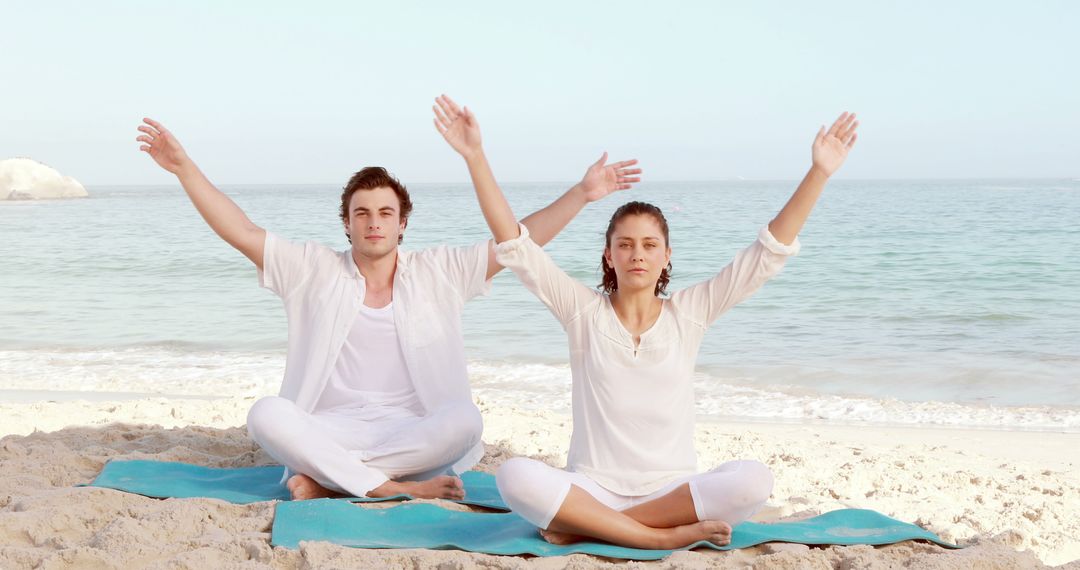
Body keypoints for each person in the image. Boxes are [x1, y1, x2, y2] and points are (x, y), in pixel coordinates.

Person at [134, 101, 641, 501]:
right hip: (330, 428)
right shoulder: (312, 269)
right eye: (361, 213)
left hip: (409, 431)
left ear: (403, 223)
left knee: (466, 420)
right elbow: (241, 229)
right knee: (267, 413)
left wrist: (582, 192)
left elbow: (518, 245)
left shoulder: (438, 272)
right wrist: (183, 168)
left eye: (384, 212)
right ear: (347, 222)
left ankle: (337, 481)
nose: (373, 221)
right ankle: (388, 488)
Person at [435, 97, 859, 549]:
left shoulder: (689, 313)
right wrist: (475, 156)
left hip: (671, 491)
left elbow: (766, 255)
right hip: (592, 489)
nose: (638, 253)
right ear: (609, 254)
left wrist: (819, 172)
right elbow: (515, 246)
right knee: (515, 475)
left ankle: (601, 527)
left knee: (753, 481)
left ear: (666, 255)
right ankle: (655, 538)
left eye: (650, 244)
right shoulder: (583, 311)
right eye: (626, 244)